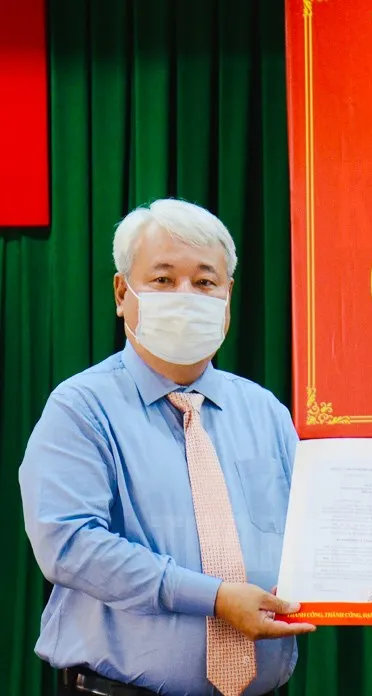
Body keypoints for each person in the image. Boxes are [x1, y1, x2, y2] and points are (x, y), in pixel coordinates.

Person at [19, 199, 315, 696]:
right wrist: (214, 598)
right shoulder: (81, 409)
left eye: (204, 282)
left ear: (228, 295)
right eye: (163, 279)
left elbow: (313, 525)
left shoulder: (265, 411)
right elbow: (71, 546)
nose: (186, 296)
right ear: (122, 292)